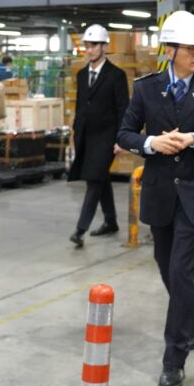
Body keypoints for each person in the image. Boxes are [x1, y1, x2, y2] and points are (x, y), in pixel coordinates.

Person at [117, 10, 194, 386]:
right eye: (191, 47)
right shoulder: (147, 89)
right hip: (160, 190)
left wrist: (193, 140)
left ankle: (174, 358)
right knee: (166, 268)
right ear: (171, 50)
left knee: (182, 272)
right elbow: (126, 132)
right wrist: (151, 144)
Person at [68, 24, 128, 247]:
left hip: (106, 138)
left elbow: (124, 108)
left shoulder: (116, 76)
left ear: (104, 46)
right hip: (86, 137)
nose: (90, 49)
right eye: (87, 45)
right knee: (100, 179)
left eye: (94, 45)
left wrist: (122, 138)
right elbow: (80, 107)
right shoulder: (82, 75)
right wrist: (75, 134)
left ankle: (80, 230)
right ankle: (111, 222)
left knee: (93, 180)